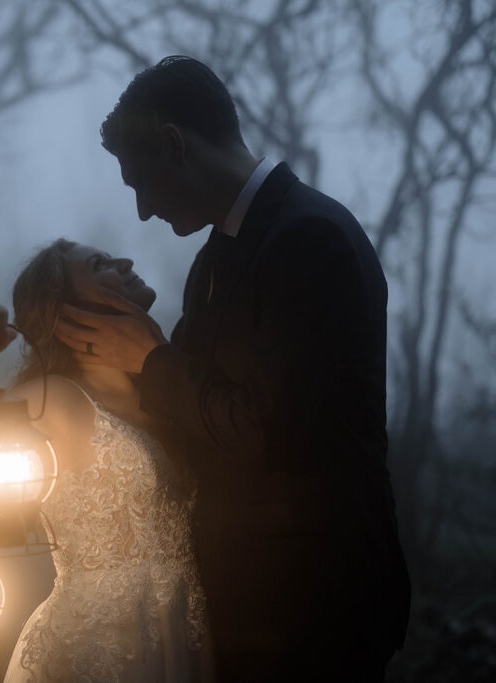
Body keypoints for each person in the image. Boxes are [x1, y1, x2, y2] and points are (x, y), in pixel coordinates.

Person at [54, 56, 411, 680]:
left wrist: (151, 355)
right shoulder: (213, 259)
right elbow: (186, 409)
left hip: (317, 605)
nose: (141, 212)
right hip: (243, 609)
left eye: (142, 182)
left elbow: (263, 432)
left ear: (175, 144)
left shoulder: (310, 239)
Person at [0, 239, 215, 682]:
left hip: (186, 635)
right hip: (99, 647)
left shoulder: (166, 388)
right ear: (63, 310)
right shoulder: (57, 400)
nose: (126, 261)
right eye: (101, 264)